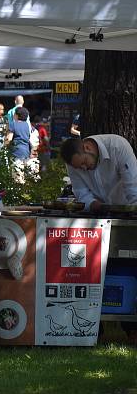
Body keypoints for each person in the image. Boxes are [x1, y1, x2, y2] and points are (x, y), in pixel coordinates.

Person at [60, 134, 137, 343]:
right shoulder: (74, 163)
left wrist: (132, 209)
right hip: (97, 216)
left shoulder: (118, 146)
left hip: (126, 212)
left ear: (88, 147)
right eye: (79, 167)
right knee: (92, 271)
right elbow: (81, 192)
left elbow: (132, 186)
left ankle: (131, 327)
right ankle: (94, 329)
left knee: (126, 269)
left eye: (84, 163)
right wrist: (93, 204)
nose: (83, 169)